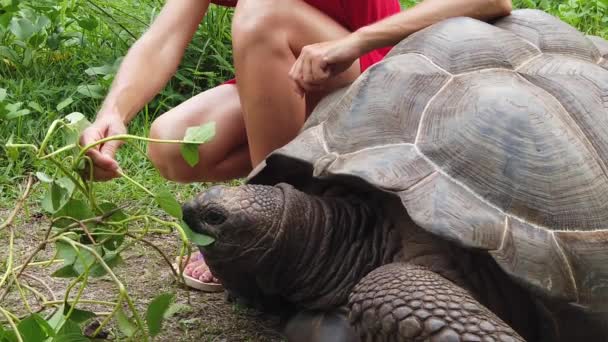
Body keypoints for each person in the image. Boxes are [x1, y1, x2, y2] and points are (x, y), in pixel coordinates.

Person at [80, 0, 512, 287]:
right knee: (172, 143)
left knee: (262, 13)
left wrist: (355, 41)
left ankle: (281, 227)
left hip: (377, 77)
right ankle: (305, 195)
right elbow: (163, 38)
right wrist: (112, 115)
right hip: (285, 75)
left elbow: (495, 0)